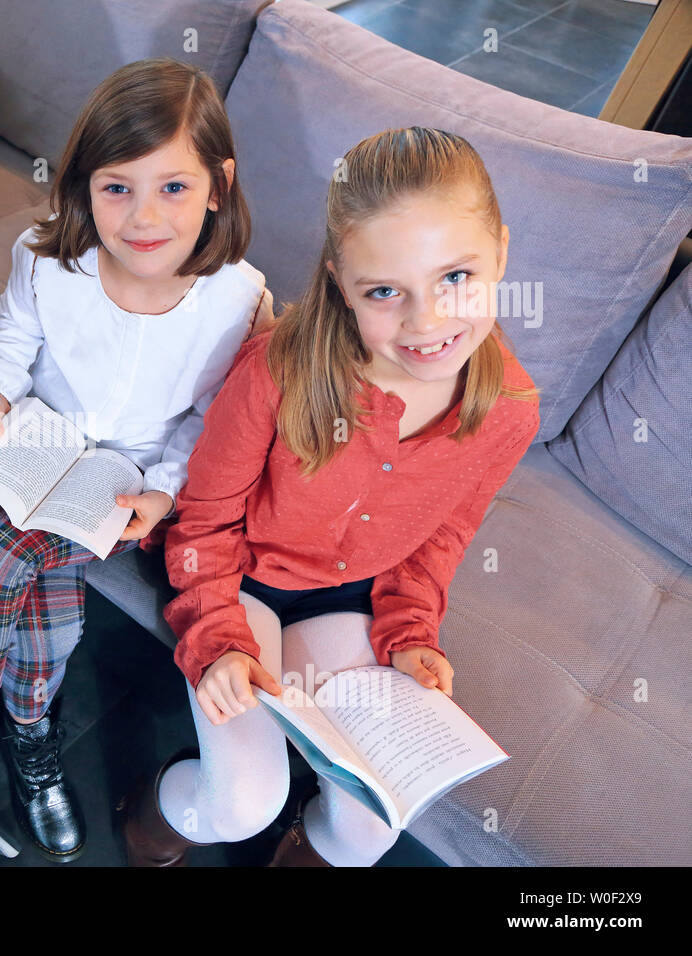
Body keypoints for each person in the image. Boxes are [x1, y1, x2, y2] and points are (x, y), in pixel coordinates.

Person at [119, 127, 541, 867]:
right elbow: (204, 522)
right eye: (385, 291)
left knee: (371, 826)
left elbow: (441, 540)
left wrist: (412, 634)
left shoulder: (509, 407)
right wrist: (218, 637)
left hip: (350, 600)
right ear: (342, 282)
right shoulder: (277, 372)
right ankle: (150, 823)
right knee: (242, 801)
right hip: (240, 578)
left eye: (457, 278)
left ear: (501, 253)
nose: (428, 322)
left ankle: (300, 850)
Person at [0, 58, 273, 861]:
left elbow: (212, 421)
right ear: (83, 188)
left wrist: (165, 490)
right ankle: (30, 732)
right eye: (117, 188)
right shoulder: (46, 260)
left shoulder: (237, 298)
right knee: (50, 597)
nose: (144, 217)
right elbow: (11, 341)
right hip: (40, 445)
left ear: (219, 185)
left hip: (131, 481)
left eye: (173, 188)